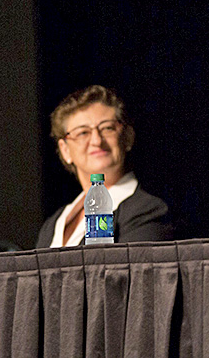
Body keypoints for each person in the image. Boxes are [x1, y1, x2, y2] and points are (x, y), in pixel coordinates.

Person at [37, 85, 173, 247]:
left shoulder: (147, 211)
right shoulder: (54, 223)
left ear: (128, 138)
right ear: (65, 150)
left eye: (107, 128)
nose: (97, 141)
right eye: (83, 132)